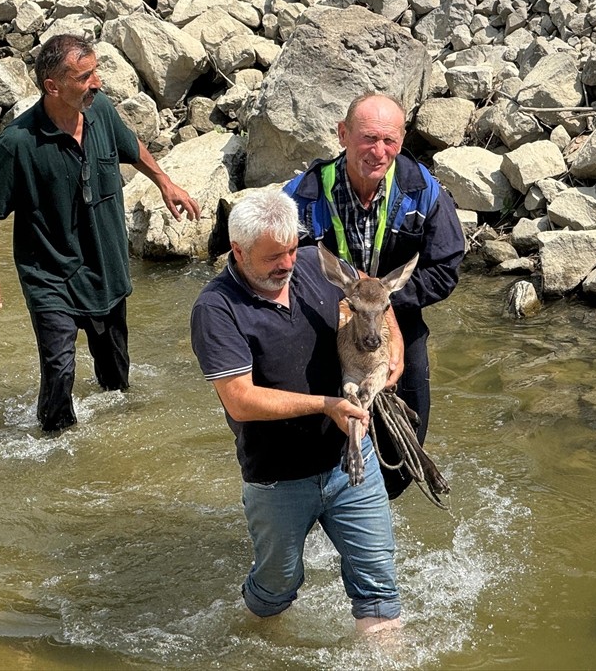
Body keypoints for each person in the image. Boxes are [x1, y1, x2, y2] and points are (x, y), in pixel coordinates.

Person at [190, 189, 404, 633]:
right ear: (238, 251)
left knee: (379, 590)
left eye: (290, 250)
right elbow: (240, 400)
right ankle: (244, 641)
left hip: (350, 463)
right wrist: (327, 405)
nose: (287, 263)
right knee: (277, 589)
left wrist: (393, 346)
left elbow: (373, 292)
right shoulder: (216, 309)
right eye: (273, 257)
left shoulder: (311, 264)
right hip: (277, 475)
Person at [0, 34, 200, 432]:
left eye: (96, 73)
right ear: (53, 87)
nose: (97, 83)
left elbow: (132, 148)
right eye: (85, 76)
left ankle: (117, 442)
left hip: (106, 268)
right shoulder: (17, 142)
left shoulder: (102, 111)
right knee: (60, 370)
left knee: (116, 381)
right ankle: (54, 451)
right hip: (50, 277)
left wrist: (164, 181)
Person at [284, 93, 463, 498]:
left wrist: (386, 307)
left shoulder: (423, 191)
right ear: (343, 134)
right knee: (312, 418)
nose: (378, 151)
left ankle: (384, 501)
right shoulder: (303, 194)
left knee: (410, 414)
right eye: (367, 138)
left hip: (395, 306)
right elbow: (276, 265)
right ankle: (318, 495)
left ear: (401, 142)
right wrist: (349, 299)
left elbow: (446, 268)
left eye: (389, 141)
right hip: (323, 315)